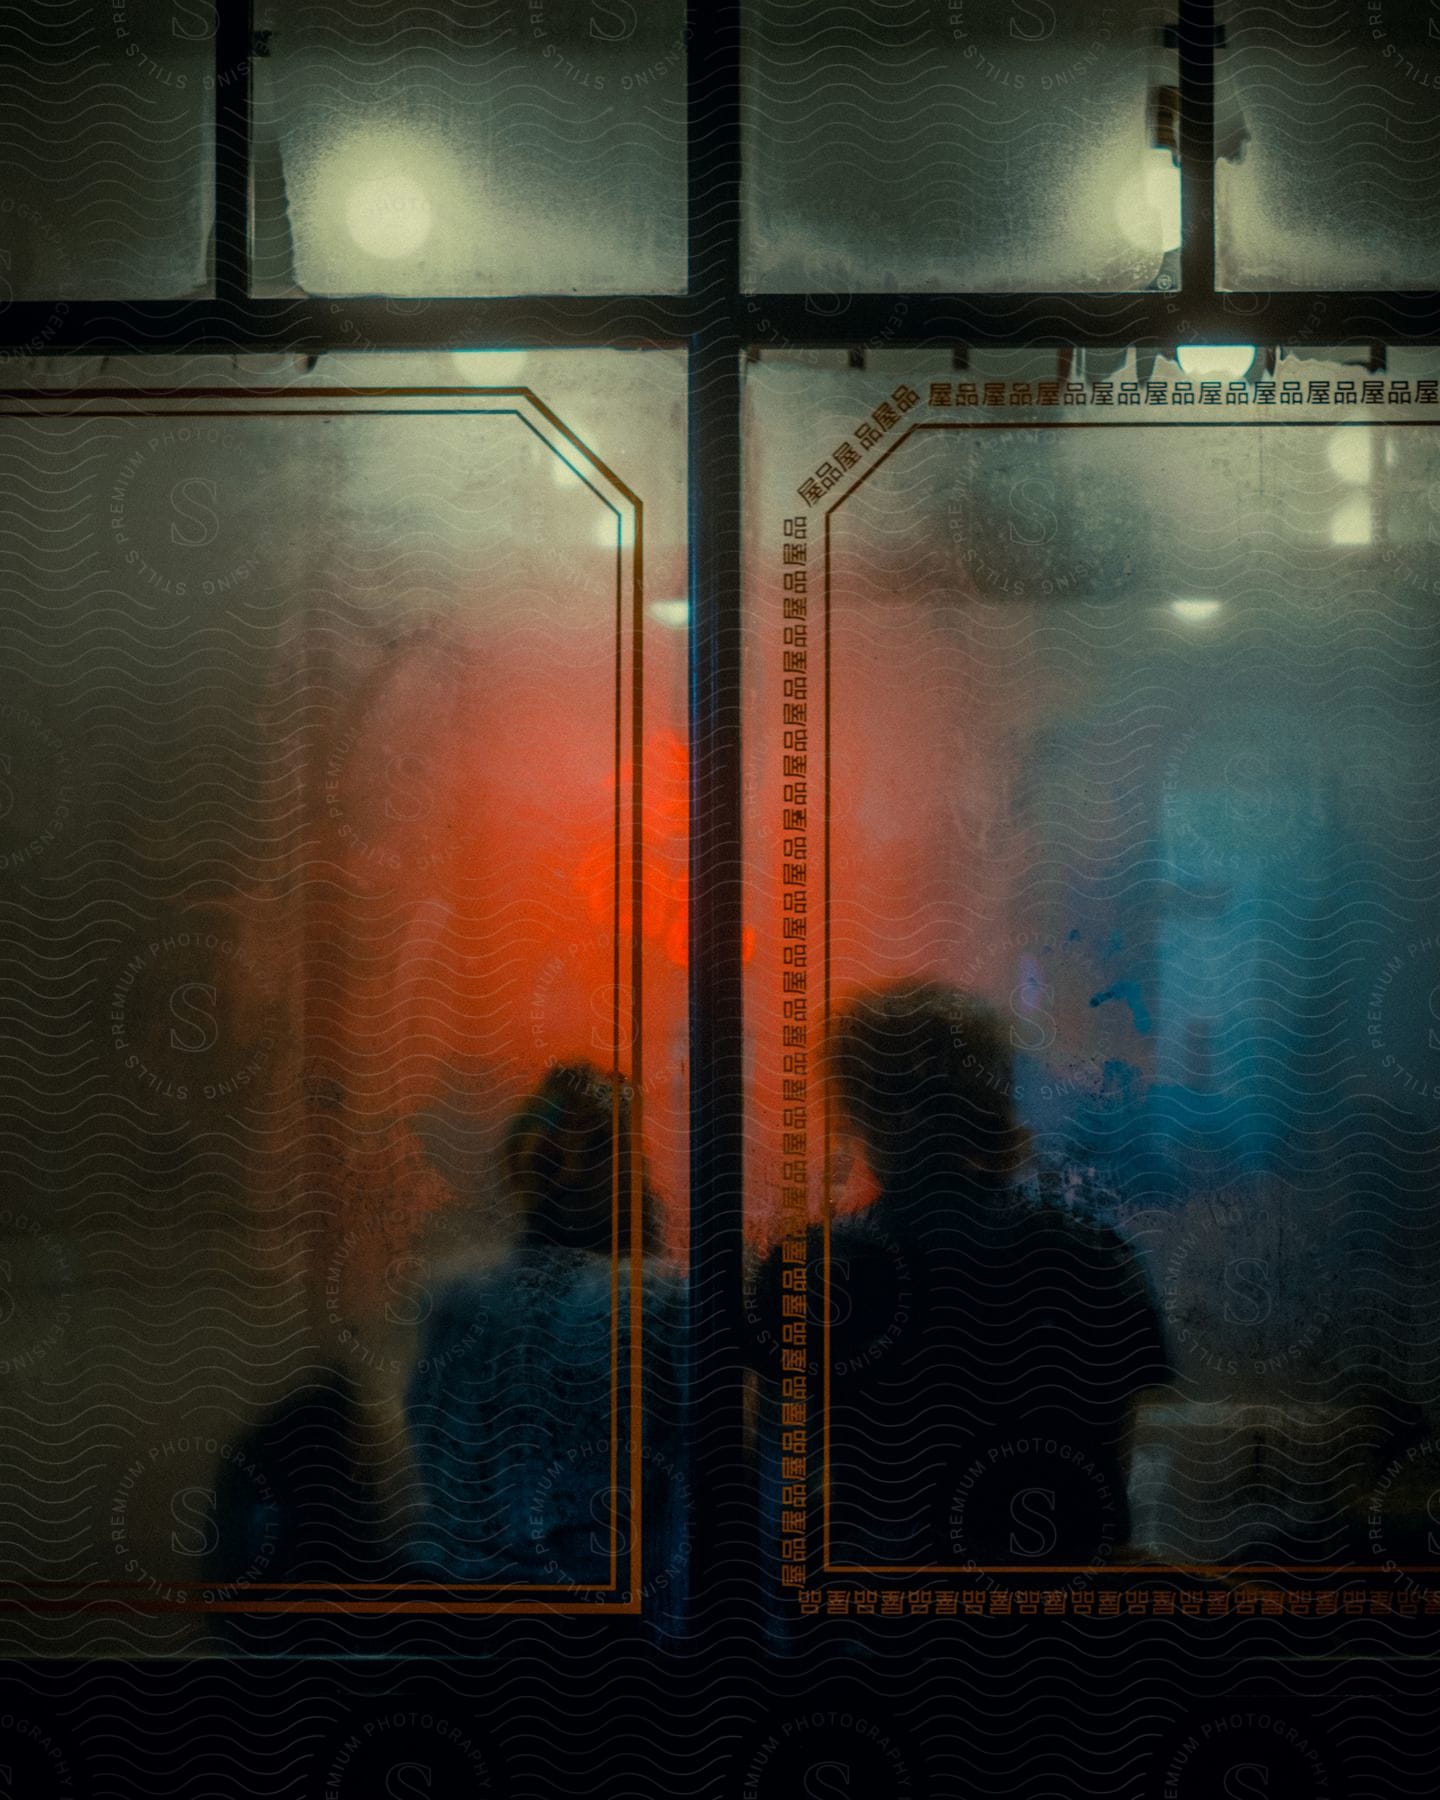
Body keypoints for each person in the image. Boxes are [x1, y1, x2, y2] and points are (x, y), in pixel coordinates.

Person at [751, 978, 1170, 1581]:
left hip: (873, 1636)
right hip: (1063, 1634)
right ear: (997, 1099)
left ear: (861, 1109)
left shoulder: (811, 1271)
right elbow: (1108, 1474)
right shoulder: (1096, 1259)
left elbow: (784, 1499)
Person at [406, 1063, 686, 1620]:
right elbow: (686, 1511)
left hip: (455, 1630)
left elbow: (438, 1482)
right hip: (609, 1644)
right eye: (631, 1157)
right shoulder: (657, 1302)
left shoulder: (456, 1303)